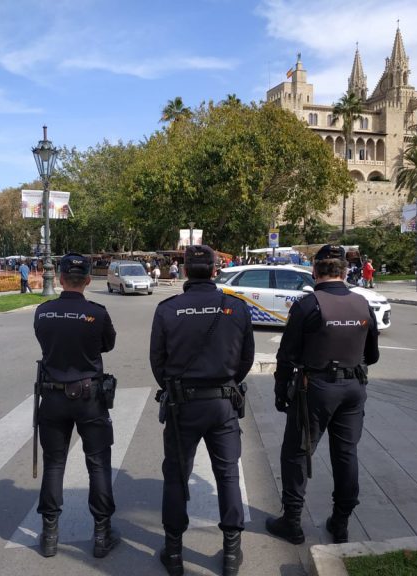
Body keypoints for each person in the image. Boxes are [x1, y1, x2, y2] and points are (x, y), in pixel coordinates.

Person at [149, 245, 255, 576]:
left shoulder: (168, 309)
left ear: (183, 271)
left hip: (183, 405)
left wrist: (175, 386)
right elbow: (246, 358)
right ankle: (231, 554)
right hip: (223, 404)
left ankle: (175, 553)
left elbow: (158, 362)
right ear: (214, 271)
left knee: (176, 477)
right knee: (227, 476)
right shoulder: (235, 308)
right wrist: (227, 382)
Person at [267, 245, 379, 546]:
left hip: (315, 389)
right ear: (344, 272)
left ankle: (292, 522)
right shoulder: (363, 304)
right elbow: (373, 355)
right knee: (346, 455)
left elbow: (286, 355)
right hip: (353, 388)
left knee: (297, 453)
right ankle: (340, 523)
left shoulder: (308, 305)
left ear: (314, 271)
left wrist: (281, 391)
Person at [34, 253, 119, 559]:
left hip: (53, 397)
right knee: (97, 464)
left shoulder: (43, 312)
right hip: (90, 397)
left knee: (54, 465)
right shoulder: (96, 313)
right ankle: (101, 534)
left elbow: (45, 343)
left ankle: (50, 534)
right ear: (86, 280)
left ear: (58, 278)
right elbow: (107, 344)